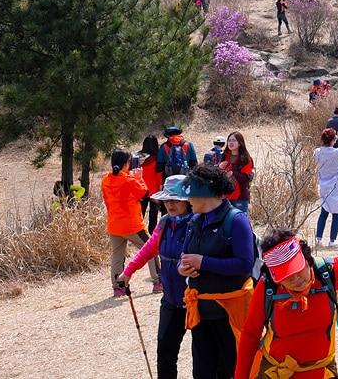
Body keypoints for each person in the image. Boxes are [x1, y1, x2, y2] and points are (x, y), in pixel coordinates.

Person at [235, 230, 338, 379]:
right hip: (277, 373)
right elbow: (250, 334)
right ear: (275, 278)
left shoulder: (327, 273)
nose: (295, 279)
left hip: (321, 372)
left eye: (297, 268)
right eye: (286, 275)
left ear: (306, 258)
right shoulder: (268, 288)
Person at [178, 164, 257, 379]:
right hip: (201, 313)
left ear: (204, 193)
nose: (188, 200)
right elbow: (184, 257)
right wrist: (182, 269)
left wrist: (203, 262)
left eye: (191, 193)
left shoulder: (237, 220)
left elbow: (245, 264)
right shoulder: (195, 221)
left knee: (233, 371)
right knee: (202, 373)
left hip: (230, 314)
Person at [120, 175, 193, 379]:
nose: (170, 204)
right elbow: (149, 249)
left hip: (196, 301)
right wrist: (128, 271)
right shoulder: (164, 223)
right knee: (165, 354)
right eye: (167, 199)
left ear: (187, 201)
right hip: (170, 300)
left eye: (175, 199)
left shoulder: (196, 224)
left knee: (203, 359)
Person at [103, 149, 160, 297]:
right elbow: (145, 194)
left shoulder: (105, 180)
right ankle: (158, 281)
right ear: (126, 164)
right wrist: (139, 178)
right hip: (132, 225)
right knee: (151, 249)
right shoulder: (129, 180)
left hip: (114, 225)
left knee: (117, 256)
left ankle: (118, 287)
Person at [220, 132, 254, 214]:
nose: (230, 143)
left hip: (240, 197)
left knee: (240, 220)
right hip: (225, 196)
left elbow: (246, 178)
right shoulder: (225, 156)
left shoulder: (245, 159)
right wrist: (219, 167)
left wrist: (232, 173)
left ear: (240, 143)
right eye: (229, 140)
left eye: (234, 140)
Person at [140, 135, 166, 233]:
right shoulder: (157, 158)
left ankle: (140, 233)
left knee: (140, 214)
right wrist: (161, 188)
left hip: (141, 190)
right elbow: (159, 175)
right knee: (153, 216)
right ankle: (152, 235)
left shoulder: (139, 158)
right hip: (154, 191)